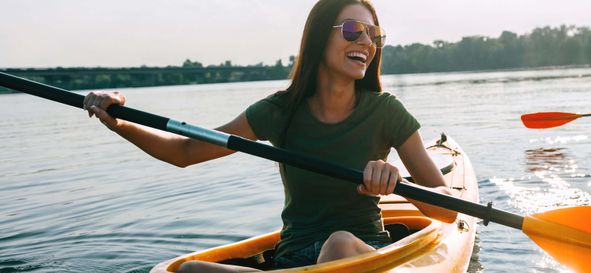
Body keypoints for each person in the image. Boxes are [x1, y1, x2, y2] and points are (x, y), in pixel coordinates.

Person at [81, 0, 457, 272]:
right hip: (292, 260)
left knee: (338, 243)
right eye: (353, 30)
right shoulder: (277, 111)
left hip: (363, 253)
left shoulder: (386, 111)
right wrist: (119, 122)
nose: (366, 42)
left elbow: (446, 208)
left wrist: (397, 184)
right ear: (317, 39)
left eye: (374, 34)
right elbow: (184, 151)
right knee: (189, 271)